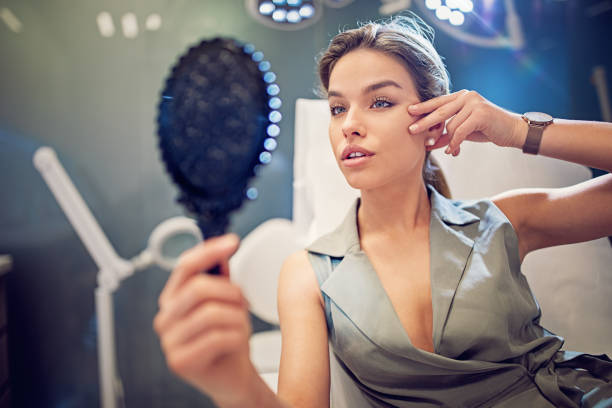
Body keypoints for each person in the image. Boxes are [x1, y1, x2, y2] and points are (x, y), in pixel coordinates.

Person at [153, 13, 612, 408]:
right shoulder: (310, 275)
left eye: (380, 102)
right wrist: (235, 384)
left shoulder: (504, 222)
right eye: (337, 108)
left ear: (430, 121)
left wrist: (517, 130)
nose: (350, 125)